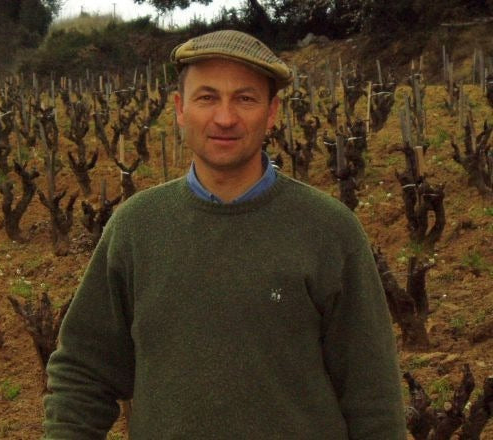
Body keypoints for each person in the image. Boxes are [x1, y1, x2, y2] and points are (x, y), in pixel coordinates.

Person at [43, 30, 407, 439]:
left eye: (245, 99)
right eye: (207, 97)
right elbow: (83, 371)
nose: (225, 117)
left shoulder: (329, 230)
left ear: (271, 114)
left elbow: (372, 395)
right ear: (181, 110)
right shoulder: (135, 228)